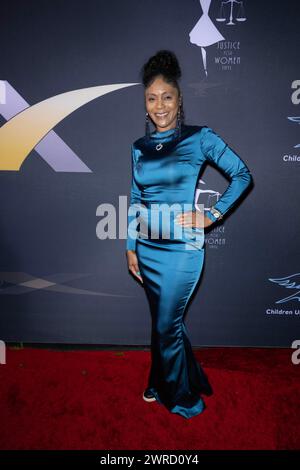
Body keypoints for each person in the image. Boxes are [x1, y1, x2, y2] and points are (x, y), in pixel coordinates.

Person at [126, 50, 252, 419]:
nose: (159, 105)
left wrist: (211, 215)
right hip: (146, 248)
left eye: (167, 96)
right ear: (145, 104)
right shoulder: (139, 148)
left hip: (182, 249)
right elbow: (136, 198)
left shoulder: (200, 138)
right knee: (163, 325)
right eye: (152, 98)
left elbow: (242, 175)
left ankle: (181, 397)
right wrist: (131, 246)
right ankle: (160, 379)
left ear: (179, 100)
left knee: (167, 323)